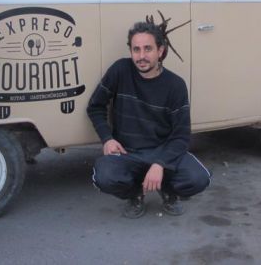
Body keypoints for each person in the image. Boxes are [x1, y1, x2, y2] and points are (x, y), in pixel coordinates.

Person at [87, 21, 211, 218]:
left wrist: (160, 163)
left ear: (160, 51)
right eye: (136, 49)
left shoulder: (175, 85)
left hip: (163, 150)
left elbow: (181, 136)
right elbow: (95, 107)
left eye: (148, 49)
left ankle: (168, 190)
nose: (141, 56)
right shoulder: (120, 70)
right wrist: (107, 139)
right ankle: (135, 194)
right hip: (128, 153)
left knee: (199, 178)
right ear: (131, 51)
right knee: (104, 177)